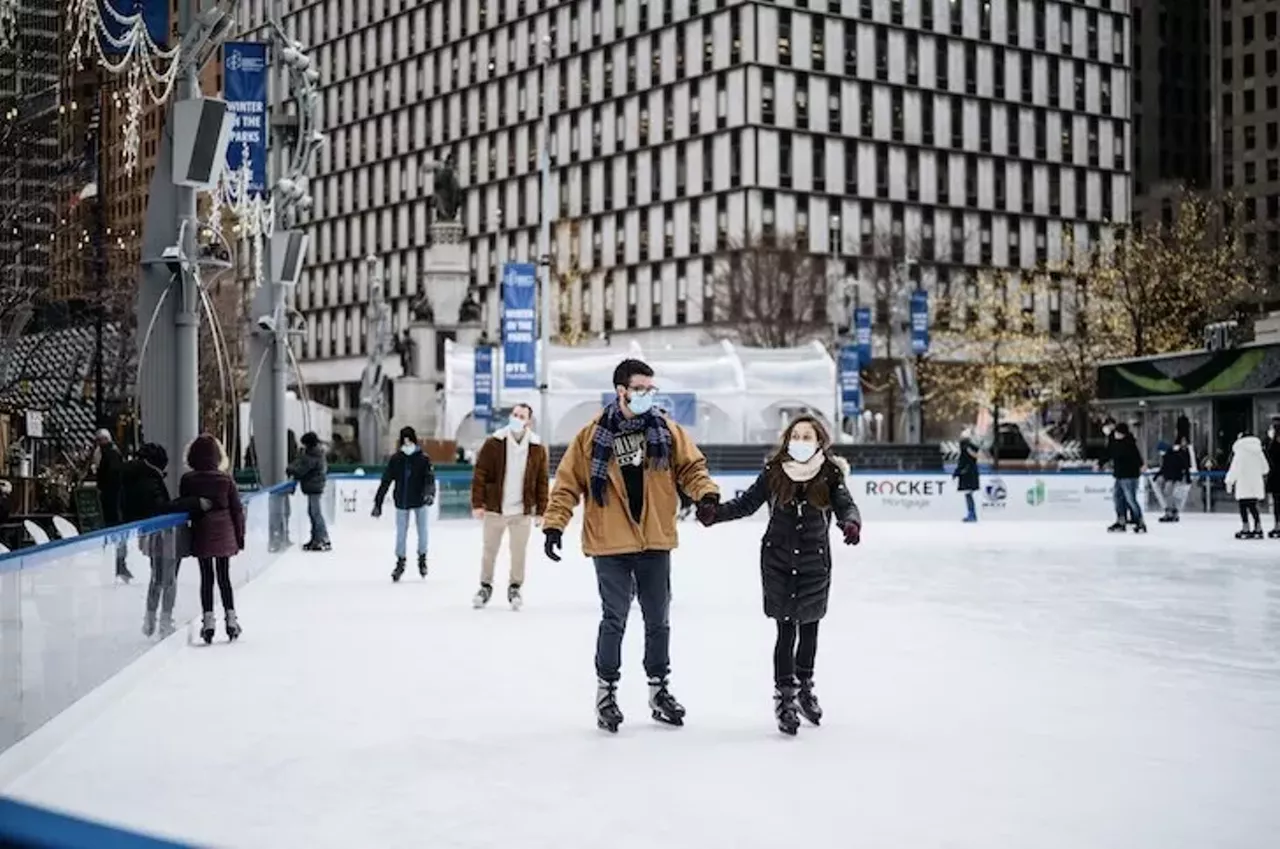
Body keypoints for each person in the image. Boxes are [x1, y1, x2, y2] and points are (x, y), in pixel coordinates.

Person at [541, 358, 719, 733]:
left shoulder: (667, 431)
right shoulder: (591, 436)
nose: (647, 396)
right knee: (614, 619)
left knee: (658, 621)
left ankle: (659, 691)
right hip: (611, 541)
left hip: (654, 539)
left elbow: (692, 469)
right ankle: (606, 693)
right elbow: (568, 484)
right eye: (640, 389)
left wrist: (706, 495)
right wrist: (555, 525)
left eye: (651, 390)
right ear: (621, 391)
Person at [696, 416, 860, 735]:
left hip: (814, 561)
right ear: (787, 440)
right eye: (795, 435)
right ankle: (784, 697)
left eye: (807, 436)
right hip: (778, 561)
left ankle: (805, 689)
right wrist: (715, 515)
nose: (800, 440)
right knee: (785, 630)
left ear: (819, 441)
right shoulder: (774, 472)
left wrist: (850, 522)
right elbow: (747, 503)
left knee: (809, 627)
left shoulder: (830, 473)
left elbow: (845, 504)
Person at [121, 443, 207, 638]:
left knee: (157, 577)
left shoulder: (135, 477)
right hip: (164, 535)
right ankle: (164, 622)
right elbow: (162, 508)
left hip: (151, 535)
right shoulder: (150, 480)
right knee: (168, 579)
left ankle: (150, 620)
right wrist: (191, 503)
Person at [469, 403, 549, 610]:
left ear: (528, 421)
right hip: (495, 509)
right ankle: (485, 586)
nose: (517, 418)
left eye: (521, 416)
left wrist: (541, 510)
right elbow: (480, 473)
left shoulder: (537, 448)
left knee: (518, 552)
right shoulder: (494, 442)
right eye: (514, 414)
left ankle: (515, 587)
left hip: (521, 512)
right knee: (489, 551)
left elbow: (542, 480)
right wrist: (478, 503)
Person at [180, 435, 246, 643]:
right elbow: (237, 510)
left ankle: (208, 622)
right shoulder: (225, 479)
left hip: (202, 532)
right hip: (224, 532)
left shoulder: (188, 480)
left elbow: (185, 506)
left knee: (206, 578)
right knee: (224, 577)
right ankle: (231, 620)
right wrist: (240, 536)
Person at [372, 426, 436, 581]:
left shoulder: (423, 459)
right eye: (404, 440)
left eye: (409, 440)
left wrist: (429, 494)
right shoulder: (396, 459)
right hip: (401, 500)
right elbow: (386, 481)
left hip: (419, 500)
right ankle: (400, 560)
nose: (407, 443)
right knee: (401, 532)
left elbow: (429, 479)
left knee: (423, 531)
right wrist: (378, 503)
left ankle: (422, 558)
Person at [94, 429, 131, 582]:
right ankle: (119, 564)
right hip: (117, 501)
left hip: (112, 502)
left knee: (113, 532)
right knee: (118, 534)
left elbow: (107, 478)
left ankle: (117, 564)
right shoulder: (113, 453)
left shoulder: (108, 455)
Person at [289, 431, 331, 551]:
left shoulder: (313, 455)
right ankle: (316, 538)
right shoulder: (313, 453)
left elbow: (302, 469)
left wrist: (290, 469)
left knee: (315, 513)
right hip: (313, 487)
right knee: (313, 513)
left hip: (314, 488)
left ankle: (323, 538)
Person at [1225, 430, 1269, 539]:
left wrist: (1229, 481)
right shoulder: (1259, 452)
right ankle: (1258, 528)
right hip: (1255, 484)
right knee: (1253, 506)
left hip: (1243, 483)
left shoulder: (1240, 452)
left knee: (1243, 506)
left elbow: (1234, 468)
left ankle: (1246, 527)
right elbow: (1265, 469)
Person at [1106, 422, 1147, 533]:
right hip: (1119, 475)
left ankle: (1139, 521)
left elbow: (1136, 456)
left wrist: (1141, 465)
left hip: (1130, 476)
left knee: (1130, 499)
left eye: (1117, 433)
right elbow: (1109, 452)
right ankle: (1121, 521)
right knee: (1117, 498)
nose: (1115, 435)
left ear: (1122, 434)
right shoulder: (1116, 442)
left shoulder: (1128, 443)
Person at [1154, 439, 1192, 523]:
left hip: (1174, 478)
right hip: (1170, 478)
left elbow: (1184, 466)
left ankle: (1170, 512)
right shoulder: (1167, 456)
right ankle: (1172, 511)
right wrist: (1156, 476)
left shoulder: (1174, 455)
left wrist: (1187, 477)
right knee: (1169, 494)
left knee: (1169, 494)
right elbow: (1163, 468)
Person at [953, 426, 980, 522]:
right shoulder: (967, 449)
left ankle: (972, 514)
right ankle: (971, 513)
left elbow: (969, 459)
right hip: (968, 473)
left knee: (968, 494)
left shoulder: (968, 448)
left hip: (968, 473)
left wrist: (958, 471)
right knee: (968, 494)